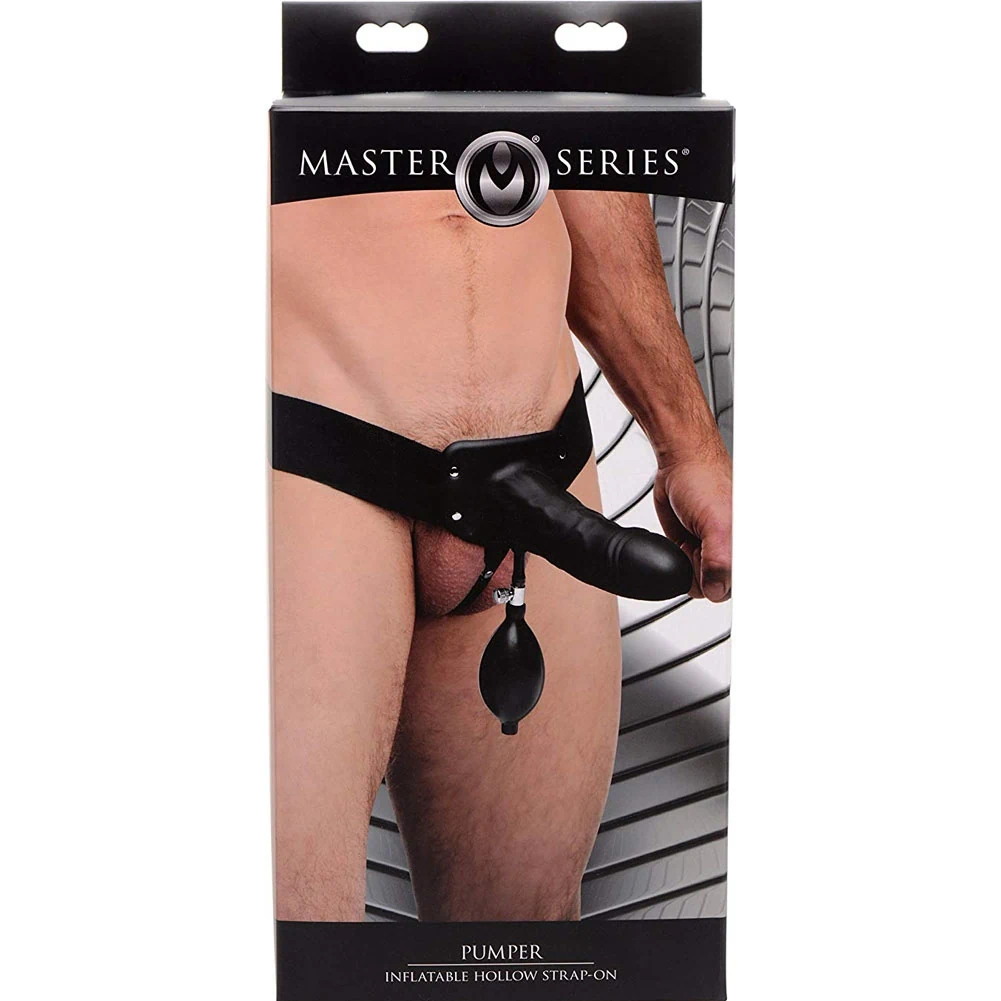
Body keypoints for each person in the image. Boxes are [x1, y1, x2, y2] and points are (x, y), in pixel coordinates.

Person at [270, 189, 732, 922]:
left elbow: (587, 169)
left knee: (529, 939)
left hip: (542, 440)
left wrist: (686, 441)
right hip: (306, 438)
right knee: (296, 937)